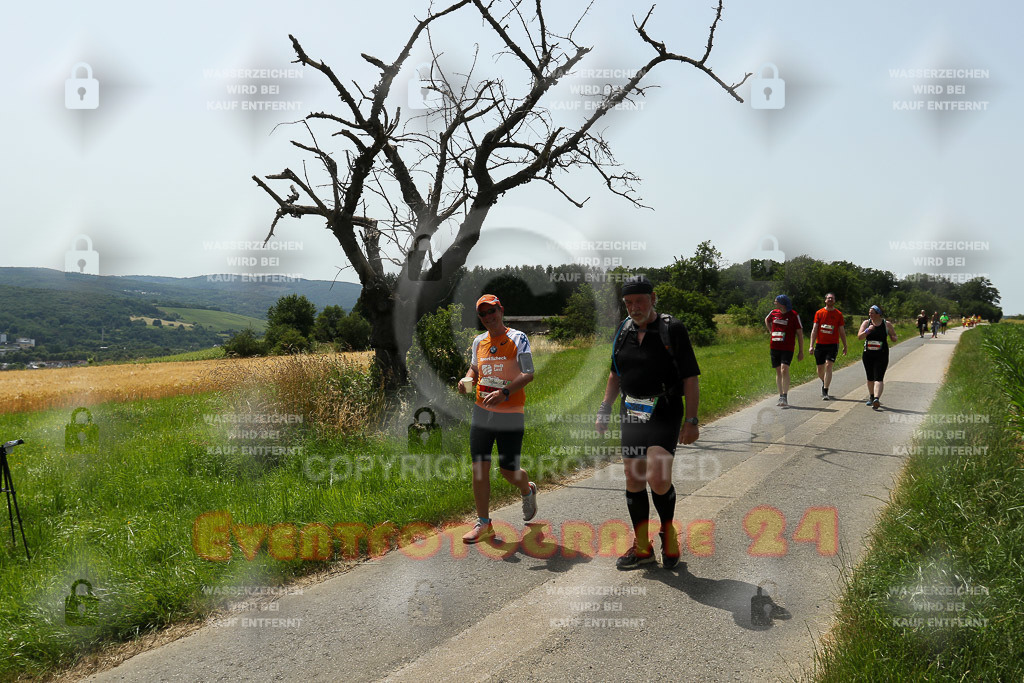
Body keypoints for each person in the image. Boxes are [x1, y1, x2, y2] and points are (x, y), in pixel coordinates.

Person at [595, 275, 700, 569]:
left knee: (658, 476)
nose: (634, 307)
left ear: (653, 299)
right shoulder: (623, 330)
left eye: (639, 301)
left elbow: (690, 377)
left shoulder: (672, 329)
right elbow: (615, 374)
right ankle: (643, 547)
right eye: (628, 302)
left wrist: (691, 420)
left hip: (665, 410)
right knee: (634, 477)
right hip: (631, 411)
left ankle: (668, 533)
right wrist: (605, 408)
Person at [456, 294, 538, 543]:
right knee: (479, 468)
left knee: (508, 471)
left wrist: (504, 393)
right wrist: (467, 379)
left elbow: (528, 373)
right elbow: (475, 368)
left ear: (501, 310)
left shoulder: (518, 338)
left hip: (510, 412)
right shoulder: (478, 341)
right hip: (482, 411)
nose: (488, 317)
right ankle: (484, 523)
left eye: (492, 311)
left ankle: (527, 488)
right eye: (483, 314)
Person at [765, 295, 804, 407]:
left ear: (782, 303)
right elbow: (766, 320)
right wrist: (770, 331)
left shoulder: (794, 315)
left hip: (787, 347)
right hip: (774, 346)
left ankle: (785, 397)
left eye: (776, 301)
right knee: (778, 371)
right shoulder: (773, 312)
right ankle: (780, 395)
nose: (774, 303)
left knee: (784, 369)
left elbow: (800, 334)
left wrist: (801, 351)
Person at [808, 293, 848, 401]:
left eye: (832, 298)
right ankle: (824, 381)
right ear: (825, 300)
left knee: (828, 365)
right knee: (820, 369)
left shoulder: (838, 314)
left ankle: (825, 391)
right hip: (820, 344)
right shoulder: (819, 313)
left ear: (834, 301)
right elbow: (814, 329)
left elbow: (842, 331)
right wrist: (811, 345)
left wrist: (845, 345)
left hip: (833, 345)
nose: (830, 299)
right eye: (828, 298)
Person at [857, 305, 898, 410]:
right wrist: (867, 330)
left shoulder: (886, 324)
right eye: (869, 313)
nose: (870, 314)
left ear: (878, 314)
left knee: (879, 377)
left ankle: (876, 399)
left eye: (872, 313)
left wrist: (893, 337)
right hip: (868, 354)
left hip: (882, 354)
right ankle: (871, 397)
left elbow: (894, 336)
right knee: (870, 377)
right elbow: (860, 337)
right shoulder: (866, 323)